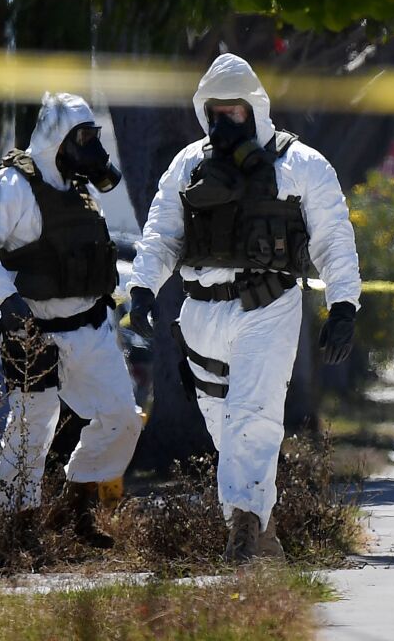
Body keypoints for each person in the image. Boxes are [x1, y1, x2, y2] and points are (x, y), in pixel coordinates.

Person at [127, 53, 361, 562]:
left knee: (253, 419)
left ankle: (244, 532)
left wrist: (344, 305)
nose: (223, 121)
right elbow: (161, 232)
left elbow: (333, 241)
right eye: (215, 111)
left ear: (254, 109)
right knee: (225, 430)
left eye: (233, 111)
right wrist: (143, 288)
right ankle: (260, 529)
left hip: (268, 310)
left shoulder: (300, 165)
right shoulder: (188, 164)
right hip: (200, 316)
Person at [0, 92, 144, 543]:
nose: (89, 146)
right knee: (30, 430)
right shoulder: (13, 186)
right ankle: (16, 530)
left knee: (122, 418)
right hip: (33, 330)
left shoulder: (80, 189)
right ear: (56, 138)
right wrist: (7, 303)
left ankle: (75, 511)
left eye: (91, 136)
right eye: (80, 137)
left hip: (89, 328)